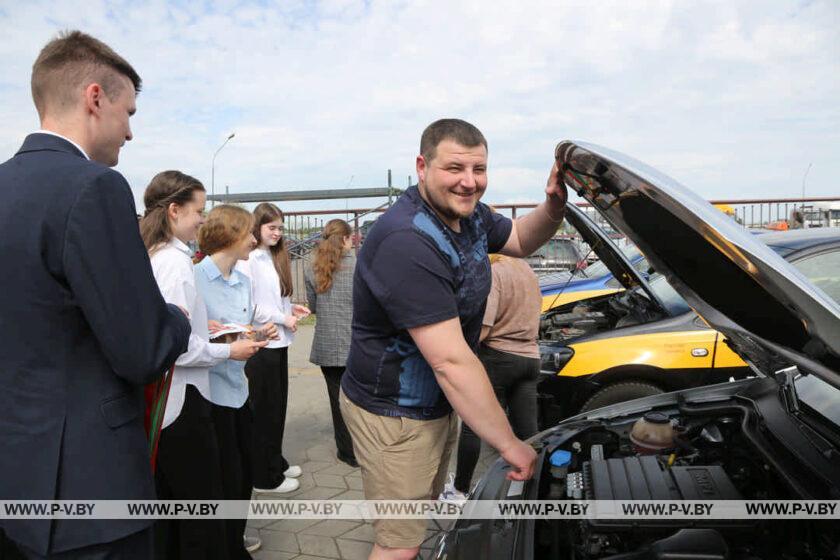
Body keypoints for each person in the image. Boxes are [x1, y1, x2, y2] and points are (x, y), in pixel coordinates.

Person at [339, 118, 567, 560]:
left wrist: (553, 206)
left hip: (434, 405)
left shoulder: (469, 215)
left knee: (414, 518)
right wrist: (510, 445)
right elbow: (451, 362)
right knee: (398, 544)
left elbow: (519, 237)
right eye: (455, 168)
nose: (469, 182)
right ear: (422, 166)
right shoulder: (407, 239)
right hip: (395, 416)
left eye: (479, 169)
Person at [0, 31, 191, 558]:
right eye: (128, 111)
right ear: (94, 98)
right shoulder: (94, 187)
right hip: (89, 491)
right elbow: (142, 349)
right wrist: (178, 317)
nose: (130, 131)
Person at [140, 171, 267, 558]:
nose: (202, 219)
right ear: (175, 210)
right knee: (201, 511)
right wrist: (228, 351)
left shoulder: (159, 255)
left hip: (174, 399)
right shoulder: (177, 265)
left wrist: (202, 325)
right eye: (198, 210)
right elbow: (173, 346)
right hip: (184, 399)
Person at [195, 205, 270, 560]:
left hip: (239, 390)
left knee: (242, 476)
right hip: (208, 396)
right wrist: (227, 346)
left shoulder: (243, 280)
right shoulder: (192, 279)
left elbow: (239, 326)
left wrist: (257, 333)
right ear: (229, 235)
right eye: (249, 233)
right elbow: (188, 342)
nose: (254, 240)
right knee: (220, 479)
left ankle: (234, 539)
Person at [440, 254, 542, 504]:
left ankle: (460, 491)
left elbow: (483, 328)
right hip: (530, 358)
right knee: (528, 431)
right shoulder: (527, 270)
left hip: (498, 358)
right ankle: (534, 490)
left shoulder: (495, 272)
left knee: (475, 426)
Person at [236, 203, 308, 494]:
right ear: (257, 227)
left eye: (280, 227)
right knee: (265, 411)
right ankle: (264, 477)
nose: (277, 233)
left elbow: (274, 298)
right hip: (261, 341)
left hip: (278, 341)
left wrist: (292, 308)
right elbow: (251, 306)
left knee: (276, 408)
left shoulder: (272, 256)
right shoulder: (250, 259)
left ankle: (274, 461)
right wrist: (283, 317)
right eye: (272, 227)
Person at [305, 219, 358, 467]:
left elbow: (314, 307)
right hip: (356, 346)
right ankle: (362, 449)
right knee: (359, 401)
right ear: (346, 239)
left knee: (336, 400)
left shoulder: (312, 268)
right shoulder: (360, 267)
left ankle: (346, 452)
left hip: (327, 346)